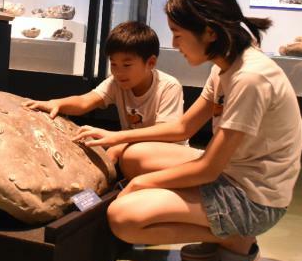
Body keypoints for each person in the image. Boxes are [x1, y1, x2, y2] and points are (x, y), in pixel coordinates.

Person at [73, 0, 302, 261]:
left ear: (209, 32)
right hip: (231, 173)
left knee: (123, 218)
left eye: (178, 34)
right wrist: (116, 137)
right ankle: (219, 231)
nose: (176, 44)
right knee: (135, 154)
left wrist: (142, 183)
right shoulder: (225, 67)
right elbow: (182, 127)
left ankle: (236, 241)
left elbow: (209, 168)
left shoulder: (250, 79)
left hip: (254, 198)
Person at [24, 21, 187, 167]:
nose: (118, 72)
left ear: (150, 62)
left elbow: (165, 132)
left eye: (127, 65)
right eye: (113, 64)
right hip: (135, 146)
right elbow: (85, 101)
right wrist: (56, 103)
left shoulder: (168, 87)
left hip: (169, 153)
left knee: (121, 153)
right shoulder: (116, 83)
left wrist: (120, 141)